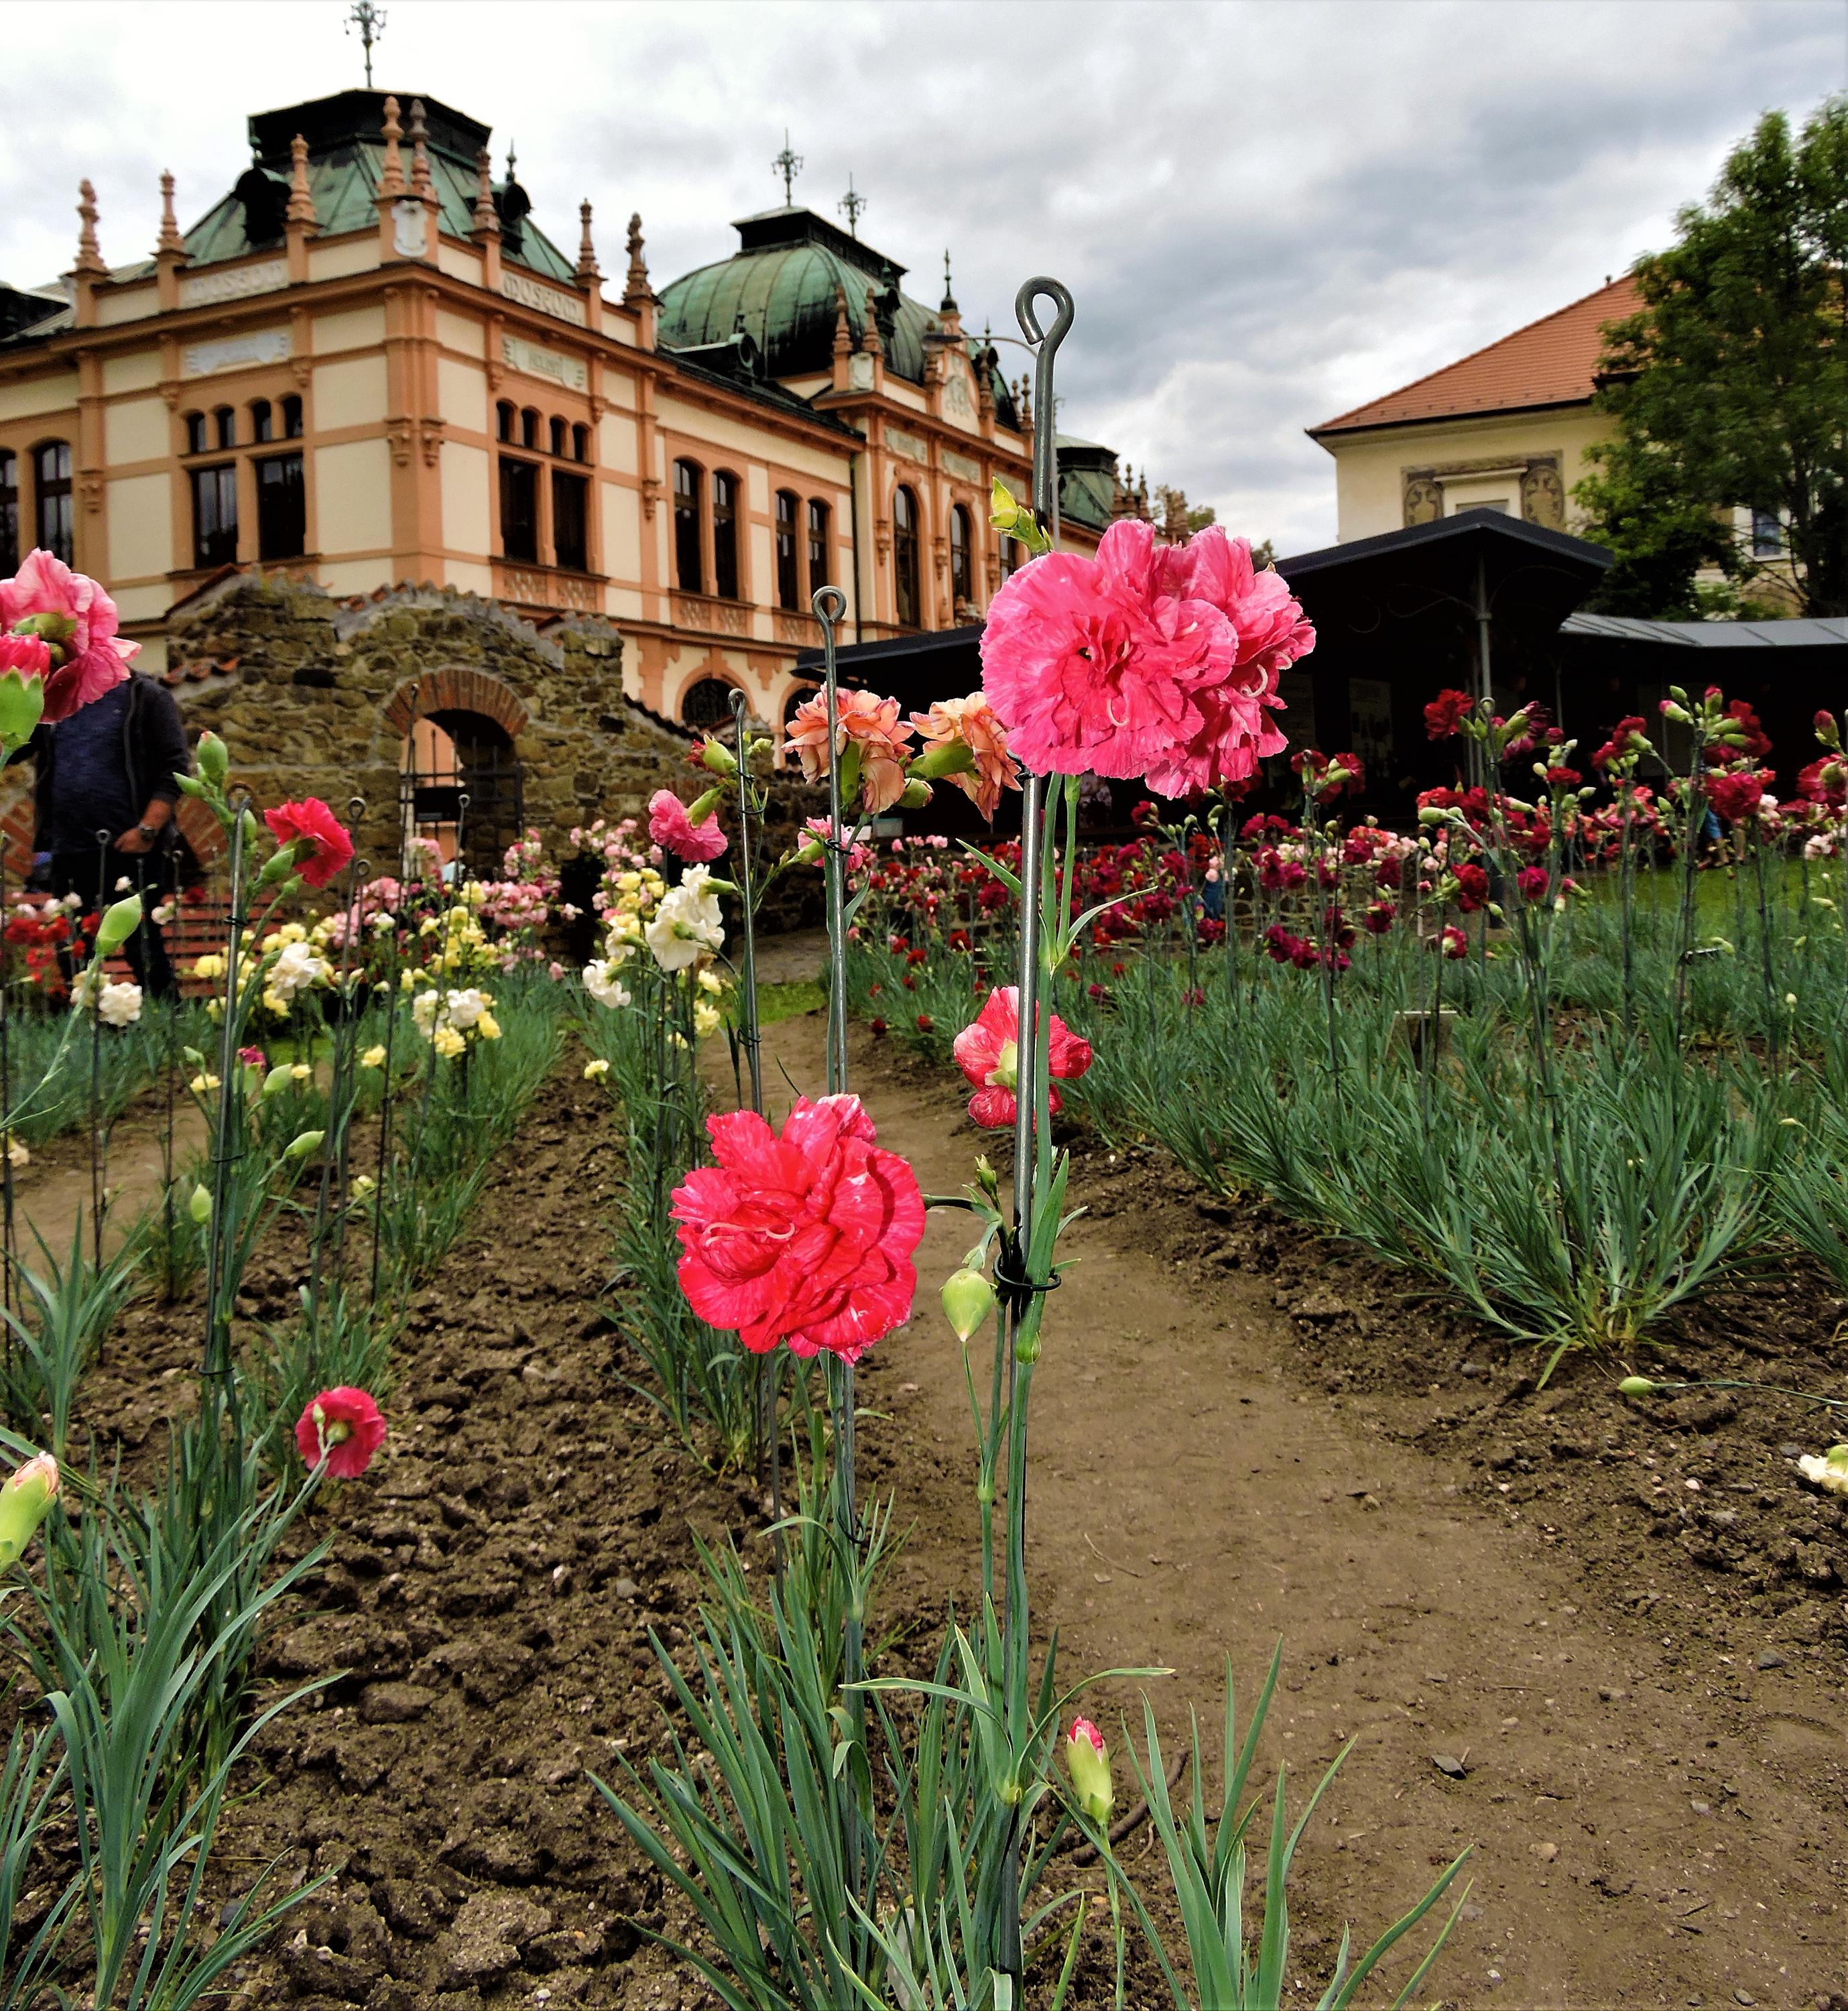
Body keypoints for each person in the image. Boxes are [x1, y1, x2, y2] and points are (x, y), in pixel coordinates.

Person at [22, 669, 190, 997]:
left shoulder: (145, 696)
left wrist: (147, 830)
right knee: (73, 954)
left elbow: (174, 769)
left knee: (143, 947)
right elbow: (15, 746)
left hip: (132, 848)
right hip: (70, 848)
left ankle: (163, 1030)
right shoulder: (55, 698)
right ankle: (87, 1037)